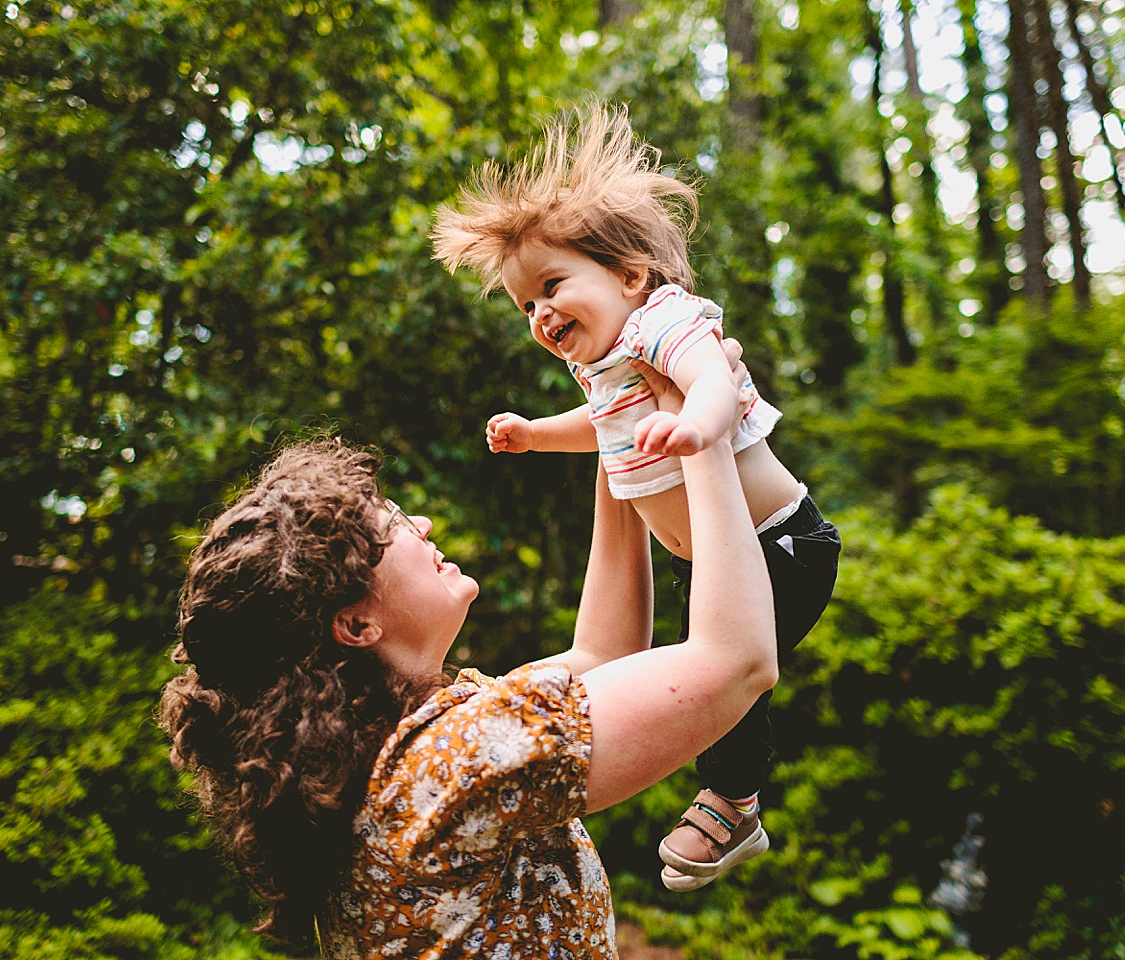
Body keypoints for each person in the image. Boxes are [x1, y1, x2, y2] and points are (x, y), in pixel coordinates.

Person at [158, 350, 776, 959]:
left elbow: (604, 651)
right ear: (355, 622)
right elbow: (737, 661)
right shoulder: (448, 762)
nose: (421, 523)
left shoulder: (408, 752)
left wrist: (621, 424)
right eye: (389, 527)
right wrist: (705, 431)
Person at [431, 102, 841, 891]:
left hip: (784, 542)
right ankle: (735, 793)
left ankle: (735, 800)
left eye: (551, 286)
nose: (541, 314)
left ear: (627, 275)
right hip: (723, 555)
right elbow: (602, 423)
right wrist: (535, 434)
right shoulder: (607, 363)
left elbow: (713, 377)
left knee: (721, 685)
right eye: (526, 306)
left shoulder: (663, 321)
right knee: (696, 678)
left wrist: (698, 429)